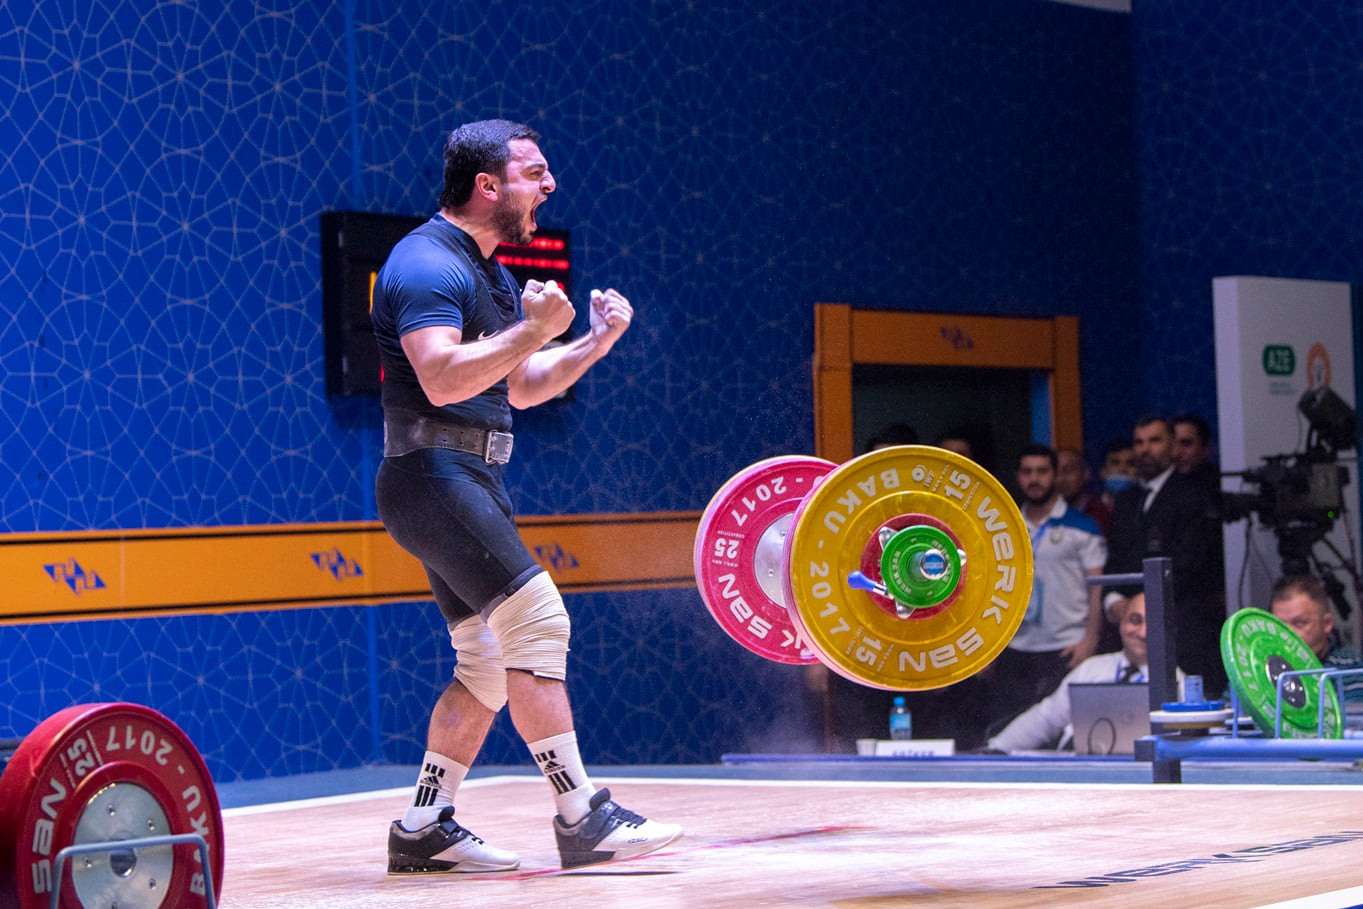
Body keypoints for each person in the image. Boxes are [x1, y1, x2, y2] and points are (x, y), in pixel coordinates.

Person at [370, 119, 681, 873]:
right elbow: (441, 377)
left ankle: (423, 826)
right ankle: (583, 815)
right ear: (488, 185)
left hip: (465, 476)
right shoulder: (424, 263)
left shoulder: (491, 274)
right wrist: (533, 329)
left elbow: (521, 386)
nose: (550, 184)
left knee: (483, 661)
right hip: (431, 474)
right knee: (539, 621)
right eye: (534, 172)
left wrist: (590, 342)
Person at [983, 445, 1107, 731]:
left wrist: (1090, 639)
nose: (1034, 479)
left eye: (1042, 471)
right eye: (1027, 472)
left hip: (1066, 645)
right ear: (1018, 477)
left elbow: (1096, 587)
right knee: (1009, 731)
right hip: (1014, 646)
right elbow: (986, 584)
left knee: (1062, 733)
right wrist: (987, 646)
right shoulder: (1002, 525)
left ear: (1055, 475)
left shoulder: (1083, 526)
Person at [1102, 417, 1226, 692]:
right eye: (1139, 442)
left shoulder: (1194, 495)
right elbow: (1114, 561)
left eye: (1154, 441)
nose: (1145, 449)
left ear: (1172, 445)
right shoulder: (1126, 500)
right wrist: (1114, 601)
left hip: (1182, 630)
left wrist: (1137, 604)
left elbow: (1190, 566)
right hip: (1130, 634)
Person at [988, 594, 1183, 751]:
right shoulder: (1091, 668)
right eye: (1135, 620)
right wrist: (995, 749)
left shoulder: (1177, 683)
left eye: (1153, 624)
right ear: (1122, 623)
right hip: (1075, 767)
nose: (1142, 632)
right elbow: (1046, 718)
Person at [1269, 576, 1363, 729]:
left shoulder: (1351, 668)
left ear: (1327, 624)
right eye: (1279, 625)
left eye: (1299, 623)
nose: (1287, 635)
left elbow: (1353, 729)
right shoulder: (1260, 665)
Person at [1056, 446, 1113, 536]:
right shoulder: (1042, 513)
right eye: (1056, 473)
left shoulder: (1100, 513)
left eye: (1068, 471)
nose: (1060, 479)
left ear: (1086, 474)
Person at [1172, 413, 1219, 492]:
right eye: (1172, 445)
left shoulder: (1222, 485)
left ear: (1205, 448)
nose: (1176, 453)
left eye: (1186, 444)